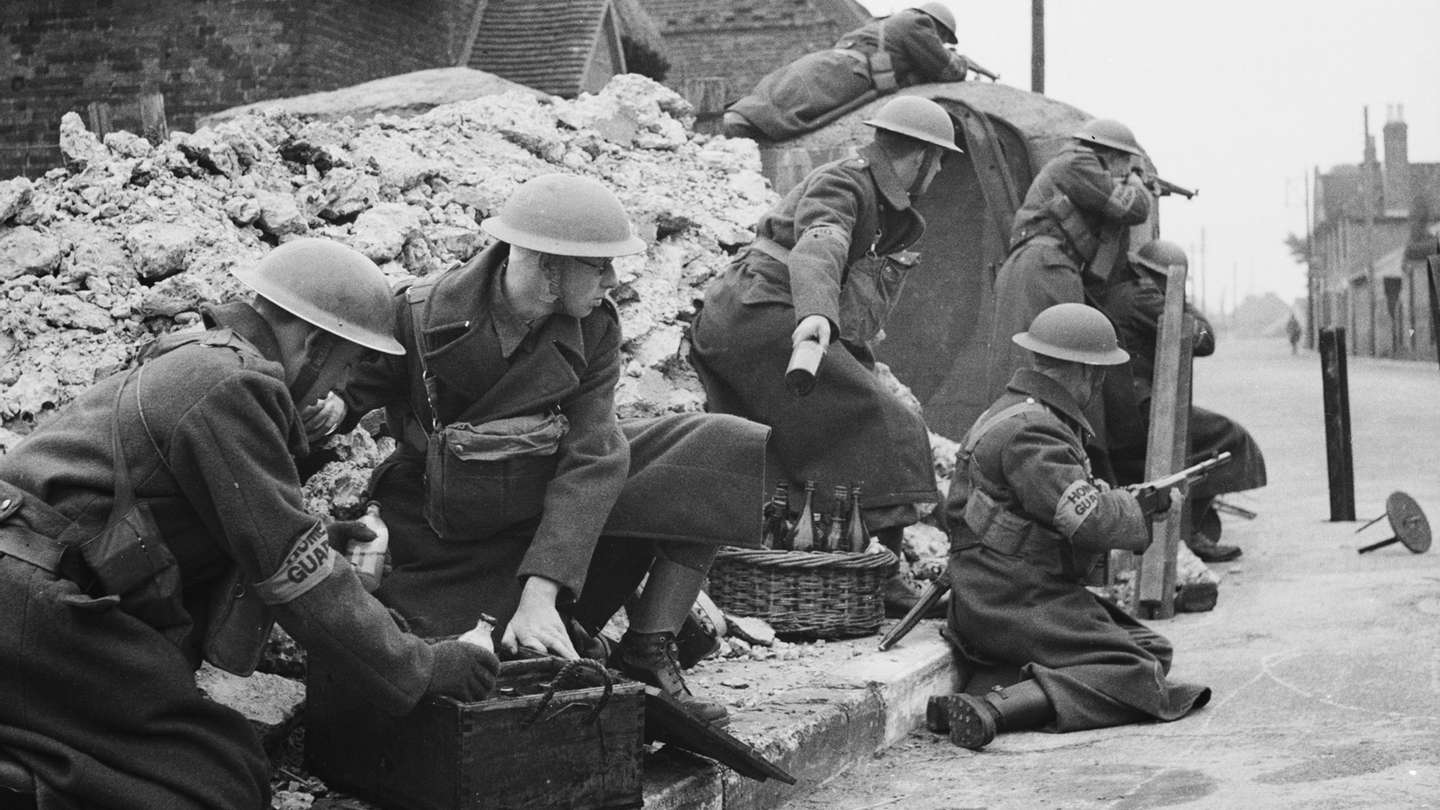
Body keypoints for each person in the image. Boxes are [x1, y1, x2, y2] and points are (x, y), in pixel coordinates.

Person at [0, 239, 501, 809]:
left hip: (31, 594)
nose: (340, 385)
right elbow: (293, 570)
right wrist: (422, 667)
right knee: (217, 781)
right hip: (36, 606)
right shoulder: (235, 384)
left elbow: (222, 525)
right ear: (315, 344)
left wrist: (323, 541)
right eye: (349, 362)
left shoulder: (202, 357)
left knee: (156, 759)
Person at [327, 174, 769, 726]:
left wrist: (542, 589)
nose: (612, 279)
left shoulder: (594, 328)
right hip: (448, 525)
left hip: (542, 508)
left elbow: (593, 454)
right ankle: (560, 629)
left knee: (715, 448)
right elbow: (343, 389)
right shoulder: (419, 313)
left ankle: (647, 651)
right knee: (462, 666)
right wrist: (334, 410)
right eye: (598, 264)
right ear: (547, 264)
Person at [690, 95, 961, 615]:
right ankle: (882, 573)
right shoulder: (845, 181)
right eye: (940, 158)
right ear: (921, 157)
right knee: (890, 423)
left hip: (786, 318)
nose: (941, 170)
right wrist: (815, 315)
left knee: (853, 420)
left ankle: (855, 563)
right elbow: (822, 241)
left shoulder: (883, 200)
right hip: (764, 314)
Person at [930, 303, 1211, 750]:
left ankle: (991, 690)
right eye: (1098, 374)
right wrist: (1140, 510)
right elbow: (1091, 525)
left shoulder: (1019, 413)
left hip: (1003, 590)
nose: (1099, 385)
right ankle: (994, 709)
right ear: (1085, 373)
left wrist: (1132, 502)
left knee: (1150, 651)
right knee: (1137, 672)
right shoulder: (1033, 430)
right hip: (1009, 598)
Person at [1098, 239, 1268, 562]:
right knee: (1229, 438)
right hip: (1141, 413)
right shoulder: (1144, 297)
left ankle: (1190, 528)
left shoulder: (1124, 294)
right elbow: (1205, 339)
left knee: (1208, 435)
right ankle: (1189, 532)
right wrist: (1181, 298)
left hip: (1126, 411)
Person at [984, 117, 1154, 405]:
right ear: (1112, 156)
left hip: (1042, 266)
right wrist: (1137, 185)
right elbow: (1136, 208)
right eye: (1126, 165)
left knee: (1037, 364)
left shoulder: (1076, 167)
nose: (1125, 173)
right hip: (1045, 266)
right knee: (1060, 365)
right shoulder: (1079, 162)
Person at [722, 3, 974, 142]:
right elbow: (949, 70)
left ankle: (744, 119)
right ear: (936, 25)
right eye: (942, 37)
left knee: (788, 90)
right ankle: (747, 121)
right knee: (803, 99)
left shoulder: (886, 25)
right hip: (848, 71)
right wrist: (960, 60)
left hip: (830, 63)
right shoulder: (917, 23)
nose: (939, 41)